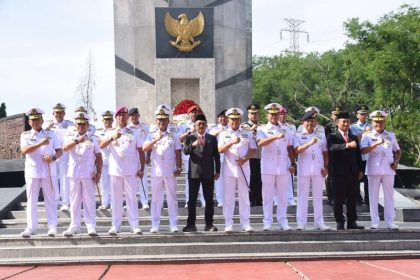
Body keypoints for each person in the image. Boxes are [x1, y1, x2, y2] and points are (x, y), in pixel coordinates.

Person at [100, 106, 145, 235]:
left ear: (127, 117)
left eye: (124, 115)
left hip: (131, 170)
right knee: (116, 199)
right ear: (116, 118)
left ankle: (134, 225)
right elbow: (101, 145)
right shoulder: (110, 132)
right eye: (119, 115)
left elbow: (140, 151)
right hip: (115, 170)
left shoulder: (134, 132)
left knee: (131, 198)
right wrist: (112, 137)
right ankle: (116, 225)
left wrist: (141, 168)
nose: (121, 117)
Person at [20, 108, 62, 237]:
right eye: (32, 120)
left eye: (37, 119)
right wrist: (40, 143)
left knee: (50, 199)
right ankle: (31, 227)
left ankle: (52, 226)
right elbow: (24, 150)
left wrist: (53, 158)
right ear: (29, 121)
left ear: (42, 120)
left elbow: (60, 151)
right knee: (31, 199)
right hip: (32, 171)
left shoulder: (51, 134)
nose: (35, 122)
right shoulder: (25, 135)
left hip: (48, 170)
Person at [143, 105, 183, 233]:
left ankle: (173, 224)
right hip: (157, 171)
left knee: (172, 198)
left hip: (170, 171)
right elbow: (145, 148)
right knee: (156, 199)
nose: (161, 122)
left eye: (164, 120)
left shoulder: (174, 135)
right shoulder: (151, 135)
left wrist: (179, 167)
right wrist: (155, 139)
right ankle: (155, 224)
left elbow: (178, 152)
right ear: (156, 121)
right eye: (159, 120)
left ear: (168, 121)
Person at [62, 112, 103, 236]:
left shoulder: (93, 138)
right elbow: (65, 148)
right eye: (79, 124)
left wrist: (99, 172)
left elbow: (99, 156)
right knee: (74, 200)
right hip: (74, 173)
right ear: (75, 124)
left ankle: (91, 225)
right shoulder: (70, 136)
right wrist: (76, 141)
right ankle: (74, 225)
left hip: (88, 173)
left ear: (87, 125)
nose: (81, 126)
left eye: (83, 124)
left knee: (89, 200)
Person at [256, 103, 295, 231]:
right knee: (267, 196)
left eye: (276, 114)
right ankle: (267, 221)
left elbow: (290, 148)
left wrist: (293, 163)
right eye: (271, 114)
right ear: (267, 116)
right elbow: (260, 143)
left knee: (282, 196)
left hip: (283, 165)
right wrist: (274, 137)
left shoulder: (286, 129)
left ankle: (283, 220)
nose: (274, 116)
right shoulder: (262, 129)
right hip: (268, 166)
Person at [361, 110, 401, 230]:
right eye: (376, 122)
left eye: (381, 122)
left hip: (388, 168)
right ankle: (375, 222)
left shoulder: (391, 135)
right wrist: (375, 144)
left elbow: (397, 151)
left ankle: (390, 221)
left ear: (384, 122)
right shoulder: (367, 135)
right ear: (372, 122)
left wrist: (396, 162)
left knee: (389, 195)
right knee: (373, 196)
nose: (379, 124)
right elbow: (363, 151)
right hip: (374, 168)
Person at [219, 108, 256, 232]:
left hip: (243, 168)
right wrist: (231, 143)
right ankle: (228, 223)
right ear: (228, 120)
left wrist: (244, 159)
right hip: (229, 169)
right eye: (232, 119)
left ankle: (245, 223)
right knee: (228, 197)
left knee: (244, 197)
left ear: (240, 119)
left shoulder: (246, 133)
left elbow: (253, 150)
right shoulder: (224, 133)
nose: (235, 121)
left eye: (237, 119)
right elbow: (220, 149)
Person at [182, 114, 220, 232]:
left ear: (206, 126)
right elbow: (185, 151)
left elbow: (217, 156)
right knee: (192, 200)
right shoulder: (191, 137)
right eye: (199, 124)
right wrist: (193, 145)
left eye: (203, 124)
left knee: (209, 200)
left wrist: (217, 170)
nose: (201, 126)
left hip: (208, 173)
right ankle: (191, 224)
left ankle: (209, 224)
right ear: (195, 125)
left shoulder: (212, 138)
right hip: (194, 173)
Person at [327, 112, 364, 230]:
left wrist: (360, 169)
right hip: (337, 173)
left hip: (352, 173)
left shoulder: (353, 137)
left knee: (352, 199)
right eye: (343, 121)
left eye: (348, 122)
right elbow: (332, 148)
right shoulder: (332, 136)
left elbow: (358, 154)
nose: (346, 124)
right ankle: (340, 221)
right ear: (337, 123)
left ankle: (352, 222)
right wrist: (347, 145)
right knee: (338, 199)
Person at [293, 110, 330, 231]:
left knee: (318, 197)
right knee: (302, 196)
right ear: (303, 122)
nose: (310, 123)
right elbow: (297, 150)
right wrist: (309, 143)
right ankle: (301, 222)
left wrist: (326, 166)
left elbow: (325, 152)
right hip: (304, 168)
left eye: (313, 121)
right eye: (308, 121)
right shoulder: (298, 134)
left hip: (318, 169)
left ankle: (319, 222)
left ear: (316, 122)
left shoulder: (321, 134)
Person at [44, 103, 73, 211]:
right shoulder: (47, 124)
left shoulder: (70, 125)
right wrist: (47, 128)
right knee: (53, 177)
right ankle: (55, 201)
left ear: (64, 113)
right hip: (52, 154)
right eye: (57, 112)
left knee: (65, 178)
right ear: (53, 113)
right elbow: (42, 136)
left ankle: (65, 202)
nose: (59, 114)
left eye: (61, 112)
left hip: (65, 154)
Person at [179, 105, 206, 208]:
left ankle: (204, 201)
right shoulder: (183, 125)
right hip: (189, 155)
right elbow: (180, 138)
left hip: (201, 155)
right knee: (189, 180)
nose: (194, 114)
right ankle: (188, 201)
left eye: (195, 112)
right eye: (192, 112)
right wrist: (190, 131)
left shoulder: (202, 123)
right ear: (189, 114)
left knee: (203, 178)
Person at [128, 107, 150, 210]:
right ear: (130, 117)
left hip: (142, 156)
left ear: (139, 116)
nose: (134, 117)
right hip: (131, 158)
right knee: (130, 181)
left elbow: (149, 142)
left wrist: (148, 156)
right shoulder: (127, 129)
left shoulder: (145, 128)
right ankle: (129, 202)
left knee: (143, 180)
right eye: (132, 115)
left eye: (136, 115)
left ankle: (144, 201)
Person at [350, 105, 373, 205]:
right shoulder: (353, 126)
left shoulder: (372, 126)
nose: (364, 116)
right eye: (361, 114)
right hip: (357, 155)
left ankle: (368, 198)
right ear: (357, 115)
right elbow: (354, 138)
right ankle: (357, 197)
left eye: (365, 114)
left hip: (369, 155)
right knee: (357, 177)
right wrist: (364, 131)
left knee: (369, 177)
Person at [241, 104, 263, 207]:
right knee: (251, 178)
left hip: (262, 156)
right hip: (251, 156)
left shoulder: (262, 126)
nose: (253, 115)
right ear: (248, 115)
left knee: (260, 179)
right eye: (251, 113)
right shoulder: (243, 126)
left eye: (255, 113)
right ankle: (251, 199)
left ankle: (259, 199)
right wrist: (252, 130)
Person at [324, 105, 343, 206]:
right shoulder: (328, 127)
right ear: (332, 116)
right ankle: (330, 197)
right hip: (331, 154)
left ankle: (341, 197)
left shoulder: (344, 126)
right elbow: (326, 142)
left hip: (342, 154)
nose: (336, 117)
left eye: (338, 115)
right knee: (330, 176)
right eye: (335, 115)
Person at [209, 109, 228, 207]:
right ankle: (220, 200)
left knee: (228, 179)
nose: (223, 119)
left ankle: (228, 199)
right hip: (218, 157)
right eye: (221, 117)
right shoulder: (214, 128)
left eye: (225, 117)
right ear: (218, 119)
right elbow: (209, 138)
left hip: (229, 157)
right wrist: (219, 132)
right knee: (219, 180)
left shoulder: (231, 128)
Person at [94, 110, 114, 209]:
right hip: (103, 161)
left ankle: (114, 204)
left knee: (114, 185)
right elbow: (98, 146)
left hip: (114, 162)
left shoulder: (115, 131)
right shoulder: (98, 132)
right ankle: (105, 203)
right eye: (106, 120)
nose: (108, 122)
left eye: (110, 120)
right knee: (104, 185)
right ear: (103, 120)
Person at [278, 107, 297, 207]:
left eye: (284, 114)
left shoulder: (292, 127)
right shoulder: (274, 127)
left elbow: (294, 141)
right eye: (280, 114)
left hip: (288, 154)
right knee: (276, 178)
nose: (282, 116)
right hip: (277, 155)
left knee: (290, 177)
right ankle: (276, 199)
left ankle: (290, 198)